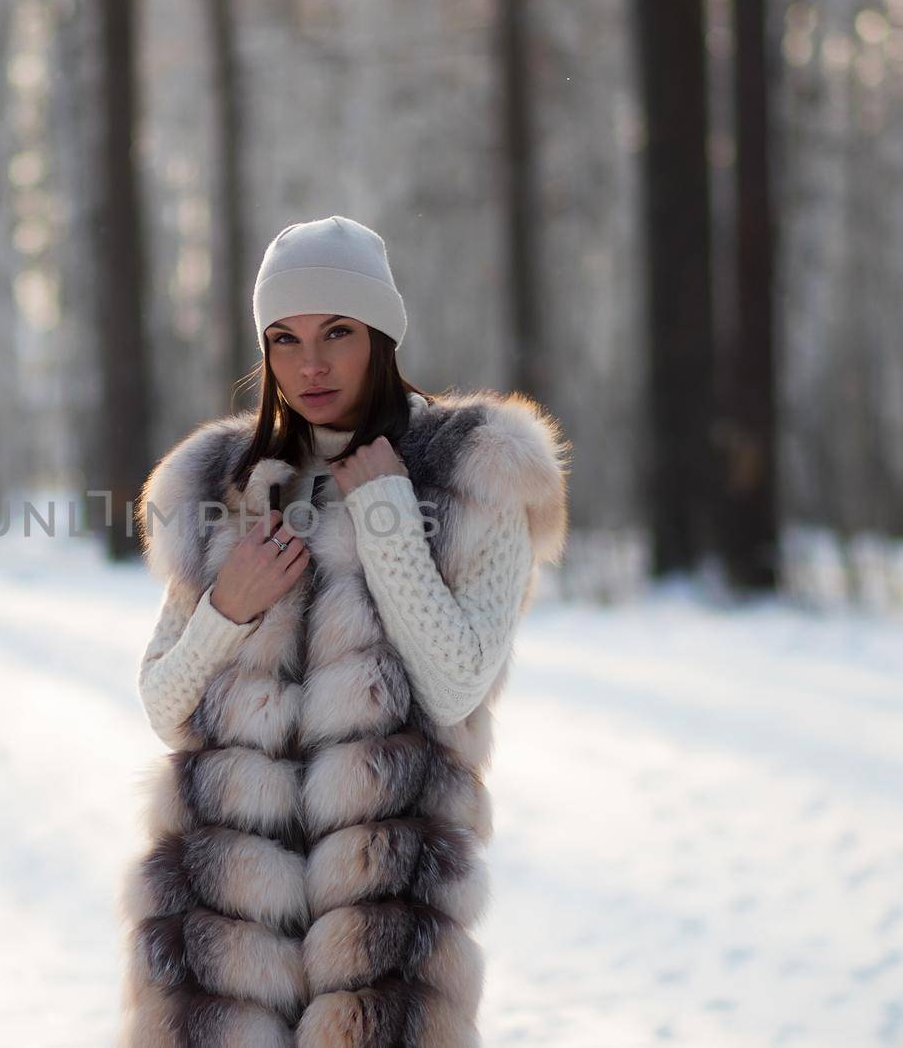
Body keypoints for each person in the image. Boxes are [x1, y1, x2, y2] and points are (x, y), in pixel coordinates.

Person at [117, 214, 571, 1046]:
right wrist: (229, 607)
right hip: (225, 931)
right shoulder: (222, 478)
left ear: (382, 335)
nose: (311, 363)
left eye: (338, 332)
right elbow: (163, 702)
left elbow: (456, 682)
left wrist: (387, 514)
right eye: (284, 339)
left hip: (380, 928)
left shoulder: (472, 468)